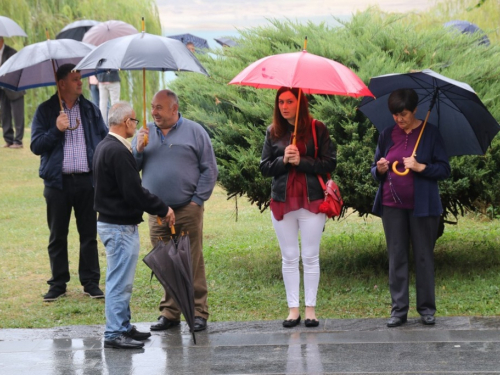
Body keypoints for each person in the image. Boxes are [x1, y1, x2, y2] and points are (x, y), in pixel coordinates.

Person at [132, 89, 218, 332]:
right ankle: (170, 313)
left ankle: (198, 311)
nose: (154, 112)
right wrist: (138, 148)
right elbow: (131, 169)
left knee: (192, 261)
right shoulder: (145, 133)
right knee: (164, 262)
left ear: (174, 109)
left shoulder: (195, 132)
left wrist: (196, 201)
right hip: (157, 212)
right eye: (152, 107)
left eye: (159, 107)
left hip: (187, 210)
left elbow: (209, 169)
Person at [93, 101, 175, 349]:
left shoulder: (105, 146)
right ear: (127, 122)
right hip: (118, 226)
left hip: (112, 223)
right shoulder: (118, 151)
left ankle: (123, 325)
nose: (136, 125)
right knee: (119, 282)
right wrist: (163, 207)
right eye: (135, 120)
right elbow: (133, 192)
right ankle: (114, 333)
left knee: (121, 279)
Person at [371, 88, 451, 327]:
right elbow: (374, 170)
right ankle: (398, 310)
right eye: (395, 114)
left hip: (423, 207)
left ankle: (426, 309)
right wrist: (380, 169)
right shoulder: (387, 134)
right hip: (391, 205)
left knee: (424, 256)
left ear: (415, 110)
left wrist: (420, 167)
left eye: (403, 114)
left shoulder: (431, 134)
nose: (399, 119)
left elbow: (444, 170)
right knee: (397, 257)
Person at [259, 87, 336, 328]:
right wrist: (283, 160)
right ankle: (293, 310)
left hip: (312, 200)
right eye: (280, 102)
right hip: (282, 201)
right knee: (289, 257)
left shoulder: (318, 128)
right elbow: (264, 167)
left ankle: (310, 309)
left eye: (289, 101)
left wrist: (300, 161)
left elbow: (330, 162)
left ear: (300, 103)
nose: (284, 106)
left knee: (310, 256)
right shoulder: (273, 132)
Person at [31, 63, 108, 302]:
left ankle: (90, 282)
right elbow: (36, 146)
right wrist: (56, 129)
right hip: (57, 184)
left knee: (88, 234)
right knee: (58, 235)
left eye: (81, 78)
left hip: (86, 181)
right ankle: (58, 283)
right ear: (61, 83)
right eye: (75, 79)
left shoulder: (90, 109)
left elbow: (104, 139)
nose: (80, 82)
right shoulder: (45, 111)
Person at [0, 37, 26, 149]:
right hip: (2, 89)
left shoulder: (12, 53)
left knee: (18, 115)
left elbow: (17, 70)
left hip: (15, 87)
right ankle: (8, 140)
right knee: (5, 114)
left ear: (1, 41)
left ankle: (18, 141)